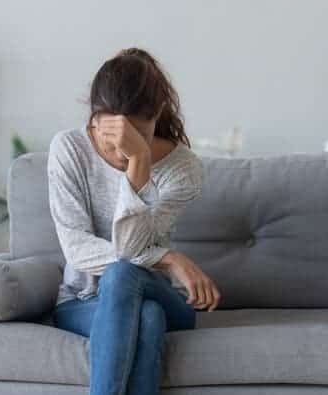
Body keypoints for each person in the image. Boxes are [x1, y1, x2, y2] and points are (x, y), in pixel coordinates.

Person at [48, 48, 221, 395]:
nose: (119, 152)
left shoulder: (183, 169)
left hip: (159, 292)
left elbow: (128, 251)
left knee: (123, 273)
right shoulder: (69, 149)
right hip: (81, 300)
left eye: (136, 137)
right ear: (95, 117)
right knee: (148, 318)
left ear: (157, 114)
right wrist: (168, 258)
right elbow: (76, 249)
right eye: (111, 140)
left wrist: (138, 163)